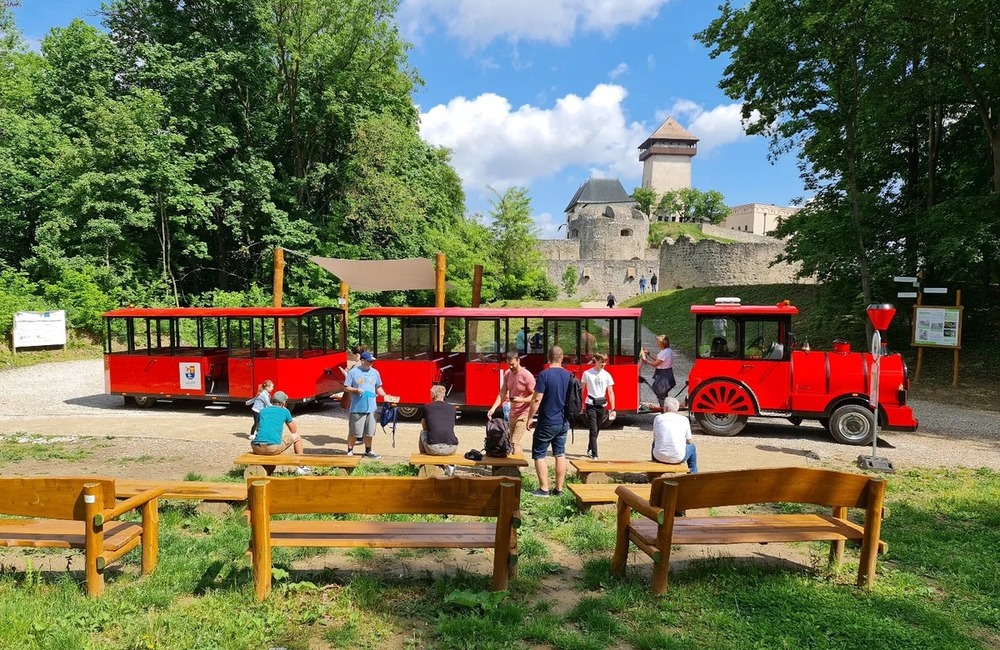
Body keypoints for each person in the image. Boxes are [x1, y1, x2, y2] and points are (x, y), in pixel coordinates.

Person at [526, 347, 572, 497]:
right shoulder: (568, 375)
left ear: (548, 357)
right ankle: (559, 489)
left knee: (539, 454)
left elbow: (537, 398)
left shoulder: (544, 375)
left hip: (547, 421)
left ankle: (544, 489)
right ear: (562, 357)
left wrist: (530, 417)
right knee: (560, 454)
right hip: (563, 421)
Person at [250, 390, 312, 475]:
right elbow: (293, 430)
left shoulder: (263, 411)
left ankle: (263, 467)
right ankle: (301, 467)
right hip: (272, 447)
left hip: (256, 447)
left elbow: (259, 427)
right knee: (297, 436)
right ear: (283, 403)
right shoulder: (285, 411)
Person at [343, 351, 392, 458]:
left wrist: (385, 396)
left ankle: (368, 450)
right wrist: (356, 390)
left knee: (370, 432)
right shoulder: (353, 372)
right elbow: (345, 387)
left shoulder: (375, 372)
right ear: (363, 361)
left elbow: (378, 387)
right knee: (354, 431)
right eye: (369, 361)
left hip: (371, 408)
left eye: (372, 361)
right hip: (357, 407)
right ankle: (350, 450)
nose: (371, 363)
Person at [487, 351, 536, 456]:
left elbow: (536, 396)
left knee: (515, 441)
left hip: (524, 412)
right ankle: (520, 464)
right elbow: (502, 392)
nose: (511, 367)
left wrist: (521, 400)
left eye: (513, 364)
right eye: (508, 364)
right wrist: (493, 408)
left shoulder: (527, 376)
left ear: (518, 361)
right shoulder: (507, 374)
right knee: (511, 441)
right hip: (512, 412)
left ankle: (516, 466)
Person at [419, 385, 459, 476]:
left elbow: (424, 427)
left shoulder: (427, 407)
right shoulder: (452, 408)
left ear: (433, 395)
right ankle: (451, 466)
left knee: (422, 432)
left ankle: (422, 461)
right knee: (449, 432)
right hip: (451, 448)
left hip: (433, 448)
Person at [582, 353, 615, 460]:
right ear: (595, 360)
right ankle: (595, 454)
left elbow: (610, 392)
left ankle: (590, 448)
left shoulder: (607, 375)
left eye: (605, 362)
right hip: (591, 404)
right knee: (593, 429)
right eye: (601, 362)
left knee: (598, 428)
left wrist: (613, 408)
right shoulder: (587, 373)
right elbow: (582, 390)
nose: (603, 364)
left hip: (602, 404)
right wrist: (580, 404)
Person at [651, 397, 698, 473]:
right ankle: (693, 474)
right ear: (677, 408)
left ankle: (655, 471)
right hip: (678, 458)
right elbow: (689, 440)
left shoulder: (658, 418)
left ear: (665, 408)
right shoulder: (684, 419)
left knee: (654, 443)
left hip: (659, 457)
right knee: (692, 447)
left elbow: (655, 438)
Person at [642, 334, 676, 409]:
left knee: (661, 393)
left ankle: (663, 409)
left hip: (663, 375)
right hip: (667, 373)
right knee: (663, 393)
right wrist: (649, 353)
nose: (656, 343)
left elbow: (655, 364)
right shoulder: (666, 351)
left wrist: (645, 360)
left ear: (660, 343)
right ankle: (665, 407)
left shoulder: (665, 352)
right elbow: (658, 359)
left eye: (657, 341)